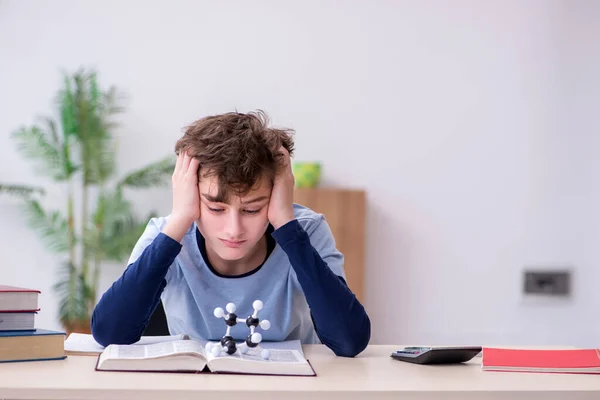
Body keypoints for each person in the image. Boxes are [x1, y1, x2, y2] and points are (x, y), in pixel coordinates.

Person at [90, 110, 371, 357]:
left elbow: (349, 342)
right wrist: (179, 222)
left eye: (251, 210)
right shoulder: (168, 233)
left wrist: (286, 225)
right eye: (215, 208)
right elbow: (109, 334)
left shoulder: (305, 230)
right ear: (192, 196)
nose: (233, 230)